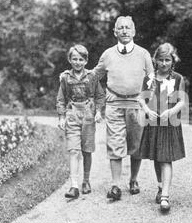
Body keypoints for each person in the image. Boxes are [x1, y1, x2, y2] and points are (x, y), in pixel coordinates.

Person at [94, 16, 155, 201]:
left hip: (136, 105)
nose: (125, 31)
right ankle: (115, 185)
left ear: (134, 31)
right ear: (115, 32)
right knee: (115, 143)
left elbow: (151, 80)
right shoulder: (108, 54)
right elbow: (94, 77)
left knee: (136, 144)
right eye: (120, 28)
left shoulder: (144, 54)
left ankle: (134, 180)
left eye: (128, 27)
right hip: (114, 105)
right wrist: (73, 75)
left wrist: (146, 100)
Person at [138, 43, 186, 212]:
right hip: (153, 122)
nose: (164, 63)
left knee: (166, 158)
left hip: (169, 123)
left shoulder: (178, 78)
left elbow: (181, 101)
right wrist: (147, 111)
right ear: (155, 60)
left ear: (173, 61)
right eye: (161, 60)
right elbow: (141, 99)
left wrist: (172, 111)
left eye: (167, 60)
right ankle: (160, 186)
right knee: (157, 158)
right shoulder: (149, 78)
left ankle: (165, 195)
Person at [56, 44, 105, 199]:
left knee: (86, 150)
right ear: (70, 60)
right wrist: (61, 116)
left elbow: (100, 96)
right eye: (74, 59)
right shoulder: (65, 77)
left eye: (81, 59)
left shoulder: (92, 76)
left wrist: (98, 111)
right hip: (72, 114)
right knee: (73, 150)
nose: (77, 62)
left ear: (86, 61)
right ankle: (74, 185)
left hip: (88, 114)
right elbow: (61, 99)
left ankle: (86, 180)